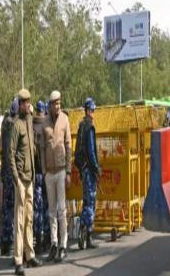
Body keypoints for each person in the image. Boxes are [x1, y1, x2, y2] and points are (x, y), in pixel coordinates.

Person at [10, 89, 43, 275]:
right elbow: (10, 155)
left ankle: (30, 255)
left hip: (30, 178)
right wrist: (17, 180)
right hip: (21, 180)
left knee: (29, 219)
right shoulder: (16, 125)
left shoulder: (29, 120)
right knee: (20, 220)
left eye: (29, 102)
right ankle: (18, 260)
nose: (28, 105)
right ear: (20, 104)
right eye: (25, 102)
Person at [39, 91, 71, 263]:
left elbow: (69, 146)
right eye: (54, 103)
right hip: (49, 173)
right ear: (50, 105)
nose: (57, 106)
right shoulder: (44, 122)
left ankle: (63, 245)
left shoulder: (65, 119)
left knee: (61, 210)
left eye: (59, 103)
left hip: (60, 172)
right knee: (51, 211)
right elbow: (42, 149)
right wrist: (44, 171)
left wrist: (68, 171)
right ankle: (53, 244)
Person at [75, 97, 100, 251]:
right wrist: (97, 168)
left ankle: (86, 233)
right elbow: (91, 151)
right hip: (89, 171)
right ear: (89, 111)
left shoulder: (80, 127)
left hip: (83, 169)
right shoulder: (89, 127)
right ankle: (85, 231)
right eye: (93, 110)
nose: (94, 113)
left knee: (86, 201)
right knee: (90, 203)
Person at [0, 99, 18, 257]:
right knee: (13, 207)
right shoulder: (13, 125)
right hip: (11, 171)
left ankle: (6, 242)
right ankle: (11, 242)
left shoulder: (4, 124)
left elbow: (2, 149)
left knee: (6, 207)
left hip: (5, 170)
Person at [31, 105, 49, 256]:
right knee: (48, 205)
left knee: (37, 208)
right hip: (46, 173)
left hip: (35, 174)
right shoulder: (47, 126)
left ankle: (38, 238)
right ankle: (48, 239)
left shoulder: (31, 126)